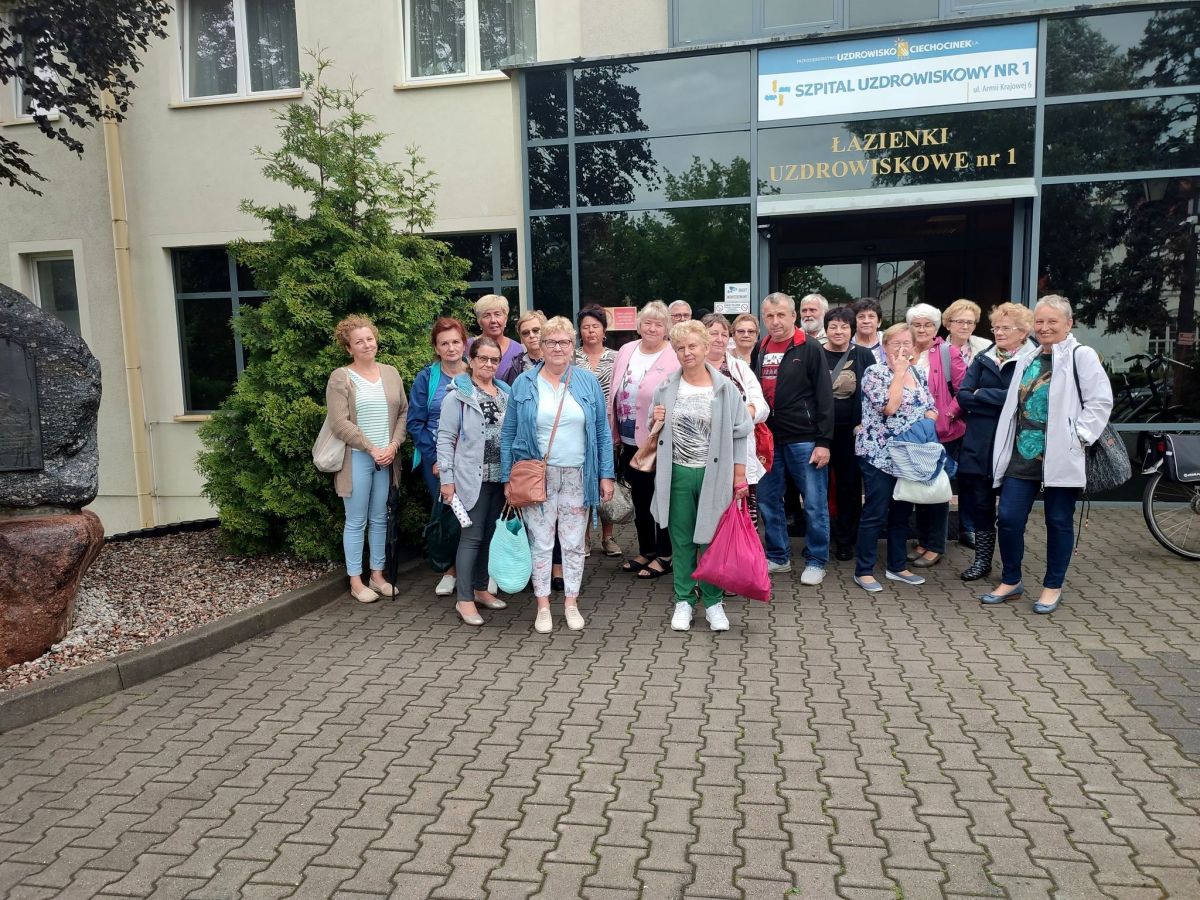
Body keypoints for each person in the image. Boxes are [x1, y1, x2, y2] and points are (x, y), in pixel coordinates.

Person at [980, 295, 1113, 614]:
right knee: (1008, 518)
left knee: (1058, 520)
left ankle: (1053, 586)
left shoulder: (1081, 356)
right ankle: (1011, 580)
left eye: (1052, 321)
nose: (1044, 327)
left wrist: (1078, 436)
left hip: (1062, 454)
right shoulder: (1028, 357)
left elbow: (1100, 401)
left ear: (1069, 323)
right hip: (1023, 453)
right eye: (1039, 321)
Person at [502, 317, 615, 633]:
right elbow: (509, 431)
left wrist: (606, 475)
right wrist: (508, 477)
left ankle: (571, 602)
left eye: (564, 342)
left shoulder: (587, 382)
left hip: (578, 475)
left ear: (572, 346)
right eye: (551, 342)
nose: (557, 348)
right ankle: (542, 606)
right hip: (537, 476)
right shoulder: (524, 383)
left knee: (574, 542)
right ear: (541, 345)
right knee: (540, 542)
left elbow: (602, 432)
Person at [651, 321, 751, 632]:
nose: (687, 352)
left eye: (692, 346)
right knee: (681, 540)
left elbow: (740, 433)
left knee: (711, 540)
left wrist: (739, 476)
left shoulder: (725, 388)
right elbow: (654, 433)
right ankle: (683, 599)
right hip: (677, 474)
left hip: (715, 475)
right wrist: (655, 420)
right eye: (680, 348)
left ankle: (713, 602)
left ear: (706, 347)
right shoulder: (665, 387)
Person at [325, 315, 408, 603]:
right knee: (356, 520)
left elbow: (403, 413)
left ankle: (377, 575)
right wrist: (372, 448)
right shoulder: (341, 377)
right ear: (349, 348)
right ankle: (355, 581)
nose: (367, 344)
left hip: (386, 459)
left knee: (380, 518)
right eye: (358, 341)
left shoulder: (391, 373)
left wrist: (393, 445)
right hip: (358, 458)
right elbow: (339, 423)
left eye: (370, 338)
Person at [754, 292, 834, 585]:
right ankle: (778, 557)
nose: (775, 321)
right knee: (768, 500)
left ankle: (816, 560)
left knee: (814, 503)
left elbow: (825, 396)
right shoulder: (762, 347)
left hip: (805, 439)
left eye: (781, 315)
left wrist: (824, 442)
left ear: (793, 316)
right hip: (768, 439)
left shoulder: (809, 347)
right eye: (769, 316)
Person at [851, 323, 937, 593]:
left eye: (906, 343)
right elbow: (889, 407)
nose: (901, 349)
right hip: (879, 455)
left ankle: (897, 566)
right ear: (885, 346)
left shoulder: (918, 372)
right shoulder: (874, 373)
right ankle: (864, 570)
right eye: (895, 343)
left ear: (914, 347)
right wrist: (899, 373)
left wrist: (926, 422)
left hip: (910, 455)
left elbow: (931, 406)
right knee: (875, 512)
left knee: (902, 513)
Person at [955, 303, 1038, 582]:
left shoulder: (1033, 360)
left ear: (1023, 332)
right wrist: (999, 399)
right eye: (996, 328)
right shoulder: (983, 358)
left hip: (1016, 444)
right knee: (981, 505)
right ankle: (982, 561)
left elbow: (1025, 399)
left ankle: (1011, 566)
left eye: (1006, 328)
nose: (999, 333)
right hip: (980, 444)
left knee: (1012, 512)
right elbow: (963, 396)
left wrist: (983, 394)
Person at [438, 337, 511, 626]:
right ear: (471, 360)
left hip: (500, 478)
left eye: (494, 360)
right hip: (472, 479)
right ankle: (464, 599)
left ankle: (481, 589)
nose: (489, 364)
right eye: (483, 358)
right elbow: (445, 439)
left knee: (490, 536)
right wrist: (447, 480)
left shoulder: (505, 393)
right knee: (472, 537)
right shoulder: (457, 396)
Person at [610, 300, 680, 579]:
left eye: (658, 324)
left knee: (660, 499)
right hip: (628, 439)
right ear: (638, 325)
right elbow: (615, 387)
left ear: (667, 328)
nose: (652, 328)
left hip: (658, 440)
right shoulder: (627, 349)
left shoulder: (673, 354)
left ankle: (665, 554)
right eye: (647, 323)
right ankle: (646, 550)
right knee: (639, 498)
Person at [407, 317, 469, 597]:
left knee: (476, 514)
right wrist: (434, 459)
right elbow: (415, 422)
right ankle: (450, 570)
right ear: (436, 347)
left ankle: (476, 571)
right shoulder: (426, 378)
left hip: (472, 460)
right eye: (444, 343)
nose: (451, 348)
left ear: (464, 344)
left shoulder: (476, 372)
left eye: (456, 341)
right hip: (437, 461)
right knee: (447, 515)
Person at [703, 313, 769, 524]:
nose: (719, 339)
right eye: (713, 333)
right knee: (708, 516)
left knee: (741, 518)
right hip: (703, 454)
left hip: (737, 454)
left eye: (724, 334)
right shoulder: (692, 368)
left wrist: (739, 414)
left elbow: (762, 407)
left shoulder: (740, 368)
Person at [822, 307, 876, 560]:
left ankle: (846, 540)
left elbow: (873, 391)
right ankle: (821, 537)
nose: (838, 331)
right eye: (833, 326)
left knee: (849, 487)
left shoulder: (863, 355)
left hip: (851, 433)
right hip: (820, 433)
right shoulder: (816, 353)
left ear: (852, 330)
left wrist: (864, 423)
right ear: (826, 329)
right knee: (818, 487)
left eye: (844, 326)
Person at [941, 298, 992, 547]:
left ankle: (968, 527)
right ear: (948, 323)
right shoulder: (939, 350)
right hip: (949, 421)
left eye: (970, 322)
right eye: (959, 321)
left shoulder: (986, 348)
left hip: (976, 420)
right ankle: (937, 531)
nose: (965, 326)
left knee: (971, 477)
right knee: (945, 474)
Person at [904, 303, 952, 569]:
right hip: (913, 434)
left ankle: (935, 546)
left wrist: (947, 415)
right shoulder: (905, 349)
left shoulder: (947, 352)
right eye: (917, 324)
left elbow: (963, 388)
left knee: (936, 489)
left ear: (936, 327)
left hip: (939, 432)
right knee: (919, 488)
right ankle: (923, 541)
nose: (922, 329)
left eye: (928, 325)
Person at [575, 304, 621, 557]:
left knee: (606, 480)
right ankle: (583, 537)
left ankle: (608, 537)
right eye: (586, 327)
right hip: (578, 430)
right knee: (582, 484)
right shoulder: (573, 358)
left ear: (604, 330)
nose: (591, 331)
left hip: (607, 428)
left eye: (595, 326)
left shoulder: (616, 358)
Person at [473, 294, 523, 383]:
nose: (493, 320)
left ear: (505, 318)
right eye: (487, 315)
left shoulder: (518, 350)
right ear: (479, 321)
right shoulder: (467, 347)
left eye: (497, 314)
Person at [504, 310, 547, 385]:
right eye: (525, 333)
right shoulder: (515, 367)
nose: (531, 335)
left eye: (536, 330)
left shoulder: (559, 359)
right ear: (521, 337)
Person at [851, 297, 885, 364]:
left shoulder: (889, 341)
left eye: (871, 316)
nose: (866, 321)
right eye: (861, 317)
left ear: (879, 322)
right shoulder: (847, 345)